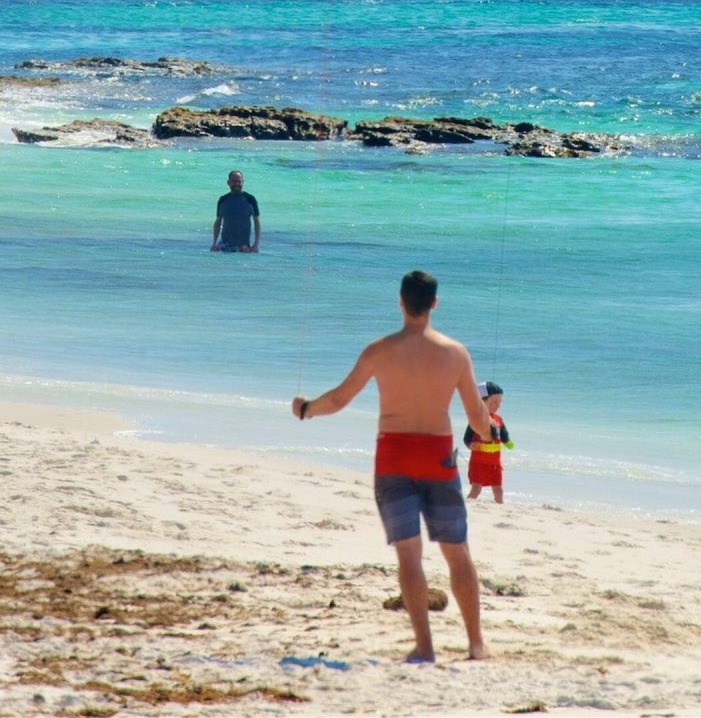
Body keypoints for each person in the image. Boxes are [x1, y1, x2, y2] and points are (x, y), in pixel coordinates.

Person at [291, 269, 491, 664]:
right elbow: (476, 418)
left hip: (394, 456)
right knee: (457, 552)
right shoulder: (454, 353)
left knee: (409, 555)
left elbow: (340, 399)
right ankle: (476, 645)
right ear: (434, 304)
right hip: (437, 456)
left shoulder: (379, 350)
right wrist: (489, 434)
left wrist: (307, 410)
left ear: (400, 301)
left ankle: (425, 647)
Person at [464, 383, 510, 505]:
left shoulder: (499, 419)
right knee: (476, 489)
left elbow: (504, 434)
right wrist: (470, 445)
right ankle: (467, 507)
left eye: (500, 402)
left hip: (494, 464)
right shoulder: (476, 420)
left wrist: (508, 441)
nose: (498, 405)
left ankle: (500, 508)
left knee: (498, 490)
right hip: (478, 462)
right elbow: (467, 438)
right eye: (494, 402)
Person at [211, 171, 261, 252]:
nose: (236, 184)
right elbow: (218, 222)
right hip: (225, 245)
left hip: (244, 246)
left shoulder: (250, 199)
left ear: (243, 182)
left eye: (239, 181)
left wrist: (256, 244)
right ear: (228, 182)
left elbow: (257, 222)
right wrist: (214, 243)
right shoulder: (223, 200)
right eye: (234, 181)